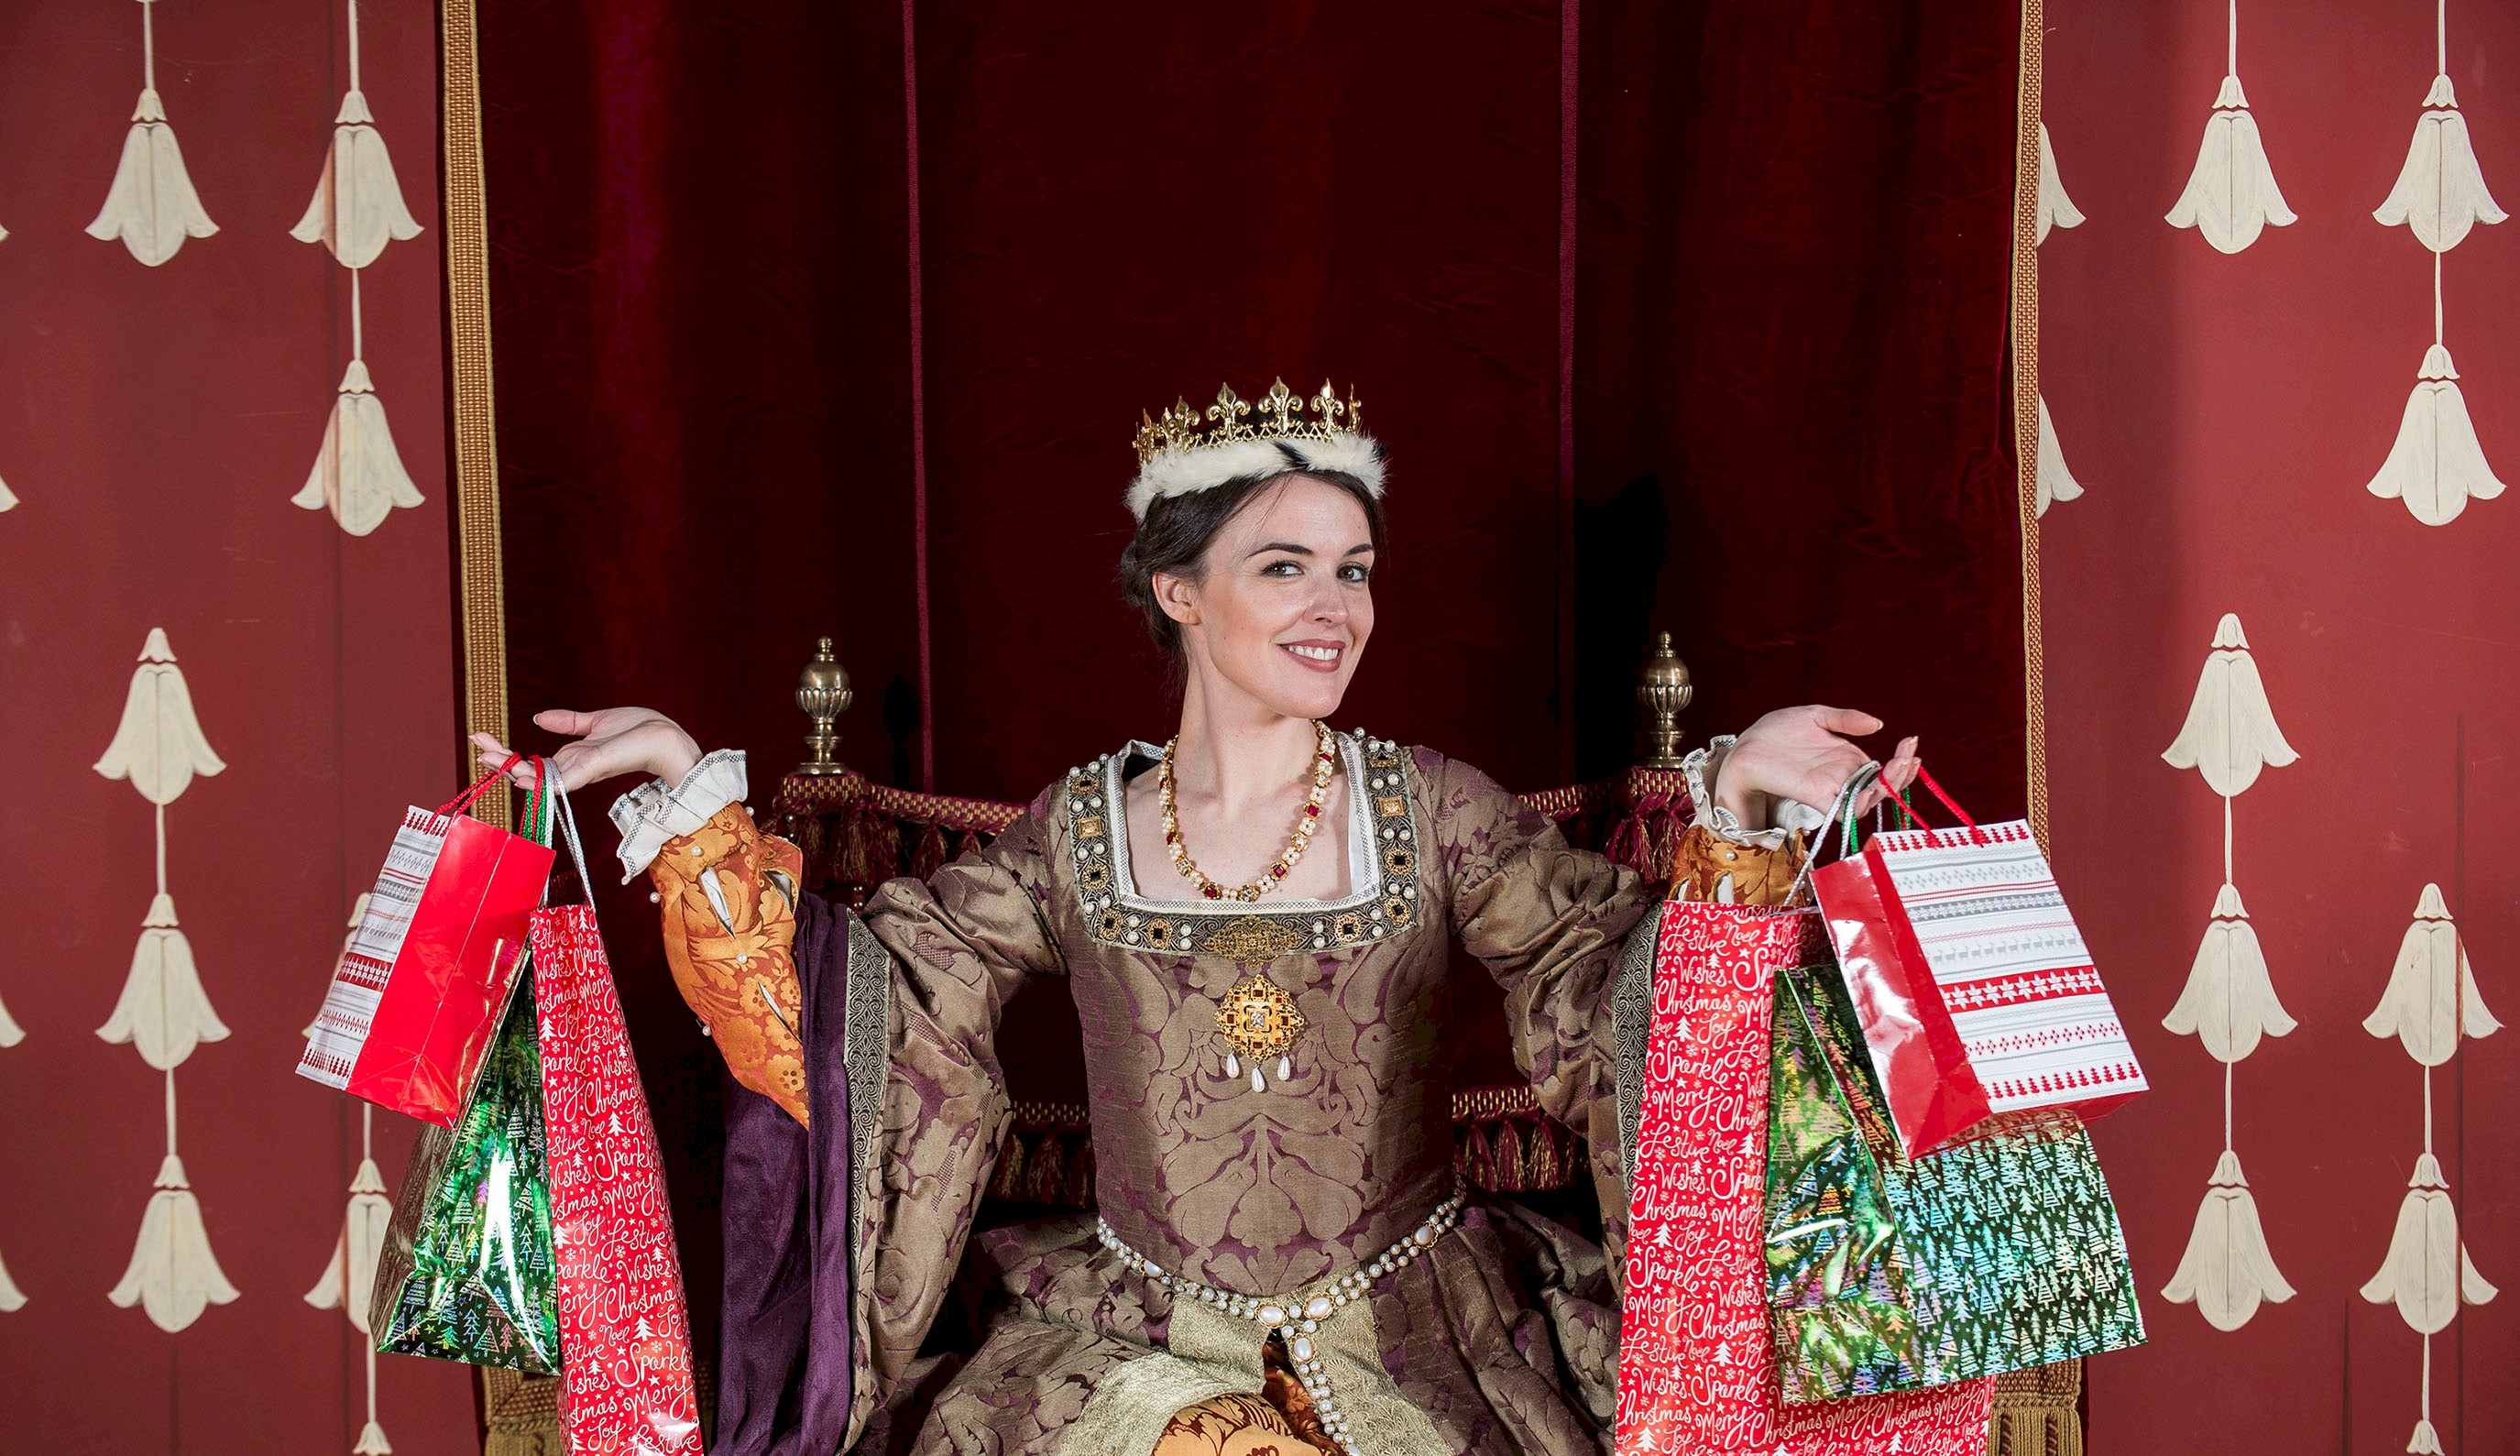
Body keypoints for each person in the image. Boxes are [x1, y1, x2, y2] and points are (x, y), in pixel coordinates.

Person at [474, 378, 1920, 1456]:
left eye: (1351, 568)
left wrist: (1732, 812)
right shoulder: (1076, 832)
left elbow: (1633, 1009)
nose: (1332, 606)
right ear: (1179, 590)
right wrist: (693, 812)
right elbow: (856, 1012)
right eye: (1282, 566)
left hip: (1419, 1334)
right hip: (1127, 1338)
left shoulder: (1438, 811)